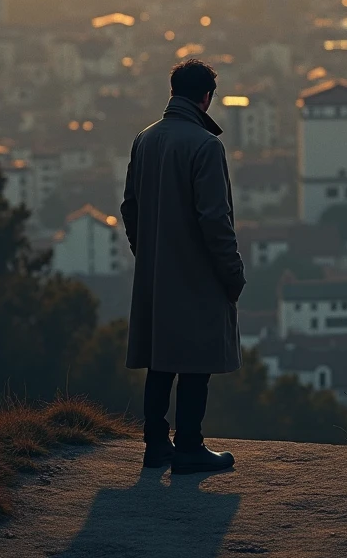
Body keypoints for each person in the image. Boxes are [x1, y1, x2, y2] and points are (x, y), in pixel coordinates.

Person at [120, 59, 246, 474]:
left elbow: (130, 206)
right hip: (198, 274)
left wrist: (147, 253)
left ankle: (156, 445)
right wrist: (232, 273)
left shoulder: (145, 139)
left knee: (161, 361)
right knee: (196, 361)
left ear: (173, 91)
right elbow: (215, 220)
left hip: (156, 273)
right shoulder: (205, 146)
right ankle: (190, 445)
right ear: (206, 97)